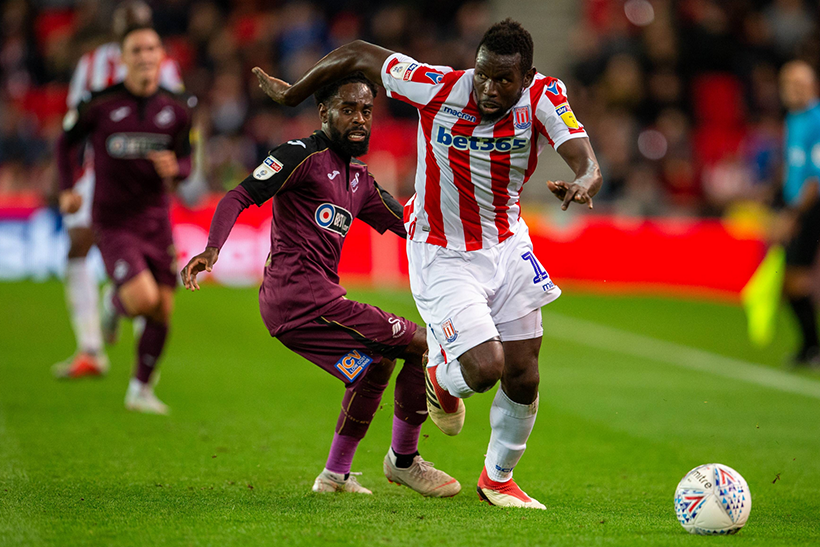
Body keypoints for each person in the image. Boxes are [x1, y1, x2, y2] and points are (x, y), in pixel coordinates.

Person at [252, 19, 602, 508]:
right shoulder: (435, 86)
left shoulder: (544, 96)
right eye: (482, 74)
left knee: (524, 373)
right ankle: (441, 377)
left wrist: (585, 178)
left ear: (526, 78)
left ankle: (498, 478)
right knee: (484, 368)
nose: (488, 88)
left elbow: (583, 157)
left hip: (507, 243)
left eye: (503, 79)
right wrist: (294, 96)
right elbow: (356, 52)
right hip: (442, 249)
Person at [180, 73, 460, 497]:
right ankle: (404, 460)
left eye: (366, 111)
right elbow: (238, 196)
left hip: (303, 309)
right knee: (423, 343)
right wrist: (212, 249)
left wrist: (468, 249)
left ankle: (334, 476)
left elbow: (412, 226)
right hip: (303, 299)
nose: (359, 119)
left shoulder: (359, 180)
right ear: (324, 112)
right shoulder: (300, 155)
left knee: (374, 367)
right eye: (348, 109)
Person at [56, 23, 194, 413]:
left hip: (156, 220)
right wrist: (67, 188)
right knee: (142, 299)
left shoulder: (178, 108)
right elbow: (66, 142)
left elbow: (186, 159)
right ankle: (114, 303)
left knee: (163, 309)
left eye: (152, 48)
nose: (145, 56)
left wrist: (177, 169)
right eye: (137, 50)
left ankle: (140, 390)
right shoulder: (99, 104)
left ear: (161, 56)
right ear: (123, 58)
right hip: (114, 220)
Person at [776, 60, 820, 366]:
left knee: (795, 279)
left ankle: (811, 347)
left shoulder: (816, 119)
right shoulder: (794, 118)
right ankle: (810, 348)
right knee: (790, 280)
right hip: (798, 207)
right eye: (789, 84)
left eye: (800, 85)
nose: (793, 90)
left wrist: (792, 215)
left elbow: (815, 180)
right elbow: (793, 169)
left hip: (812, 208)